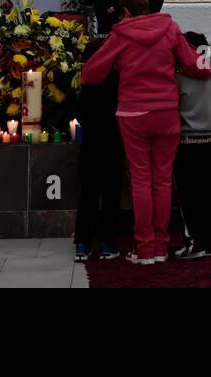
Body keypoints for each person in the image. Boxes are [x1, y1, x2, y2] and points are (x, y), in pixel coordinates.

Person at [81, 0, 211, 265]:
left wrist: (117, 65)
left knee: (141, 180)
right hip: (166, 112)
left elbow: (90, 73)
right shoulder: (170, 29)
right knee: (163, 181)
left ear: (127, 12)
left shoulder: (121, 34)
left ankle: (145, 249)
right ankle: (161, 246)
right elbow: (193, 64)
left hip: (133, 113)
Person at [73, 36, 123, 263]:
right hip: (114, 144)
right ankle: (107, 243)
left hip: (91, 144)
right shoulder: (118, 80)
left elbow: (80, 114)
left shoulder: (87, 83)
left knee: (88, 196)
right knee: (111, 195)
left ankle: (83, 244)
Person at [173, 30, 211, 259]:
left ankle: (194, 242)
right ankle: (210, 241)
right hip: (208, 141)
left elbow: (174, 112)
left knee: (188, 196)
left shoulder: (179, 78)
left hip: (186, 142)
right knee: (206, 194)